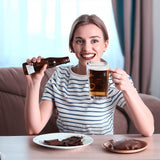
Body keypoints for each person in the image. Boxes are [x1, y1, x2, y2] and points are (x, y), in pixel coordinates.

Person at [24, 14, 154, 136]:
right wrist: (33, 84)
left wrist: (129, 89)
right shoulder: (59, 76)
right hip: (68, 150)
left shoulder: (114, 79)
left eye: (94, 41)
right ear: (72, 46)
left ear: (105, 45)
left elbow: (148, 130)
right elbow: (33, 128)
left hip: (101, 152)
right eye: (80, 41)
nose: (86, 48)